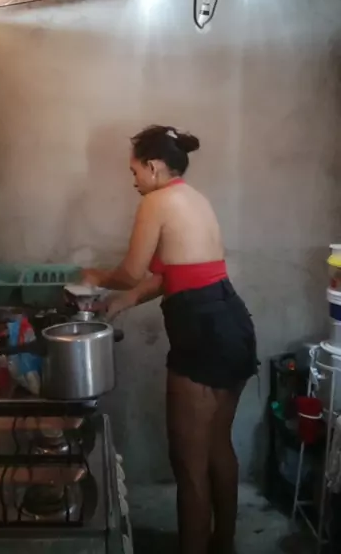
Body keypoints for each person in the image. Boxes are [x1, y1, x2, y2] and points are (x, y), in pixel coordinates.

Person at [82, 124, 257, 554]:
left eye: (135, 171)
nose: (134, 180)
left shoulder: (156, 202)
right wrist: (121, 302)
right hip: (232, 324)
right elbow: (171, 275)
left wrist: (93, 277)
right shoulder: (192, 198)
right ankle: (223, 544)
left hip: (202, 334)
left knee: (189, 464)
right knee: (218, 446)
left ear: (155, 166)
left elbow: (131, 272)